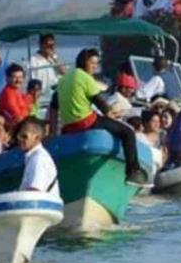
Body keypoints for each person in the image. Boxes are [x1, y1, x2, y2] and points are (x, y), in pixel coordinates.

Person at [53, 48, 149, 185]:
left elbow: (54, 106)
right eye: (92, 63)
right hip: (86, 122)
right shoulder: (85, 77)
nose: (95, 66)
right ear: (83, 62)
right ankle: (133, 171)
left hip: (68, 127)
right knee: (128, 133)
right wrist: (115, 121)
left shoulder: (64, 79)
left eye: (96, 64)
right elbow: (101, 104)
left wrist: (52, 133)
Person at [15, 117, 60, 198]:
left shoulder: (38, 158)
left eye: (24, 136)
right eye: (19, 135)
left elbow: (35, 193)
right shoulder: (36, 156)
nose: (19, 139)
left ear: (37, 138)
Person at [0, 64, 32, 128]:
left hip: (20, 125)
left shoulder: (16, 90)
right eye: (14, 77)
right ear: (7, 78)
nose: (18, 80)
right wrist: (27, 106)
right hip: (12, 129)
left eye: (20, 77)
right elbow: (18, 117)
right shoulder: (9, 94)